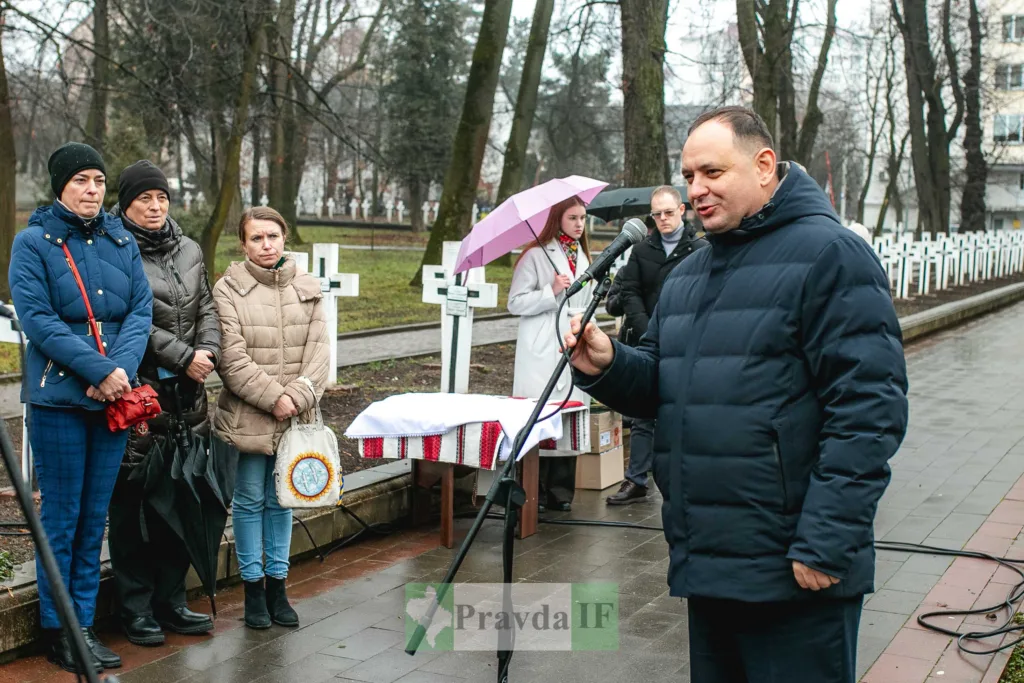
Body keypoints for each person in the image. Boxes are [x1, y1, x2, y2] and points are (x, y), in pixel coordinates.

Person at [563, 106, 909, 683]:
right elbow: (667, 383)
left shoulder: (830, 256)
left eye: (711, 173)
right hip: (711, 559)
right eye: (688, 175)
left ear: (764, 165)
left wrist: (825, 543)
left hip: (796, 569)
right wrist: (609, 364)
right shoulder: (692, 274)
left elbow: (868, 411)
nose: (695, 189)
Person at [9, 142, 153, 673]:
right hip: (60, 402)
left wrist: (118, 370)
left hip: (113, 397)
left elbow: (139, 309)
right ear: (60, 186)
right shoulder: (33, 243)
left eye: (98, 180)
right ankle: (59, 628)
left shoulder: (120, 238)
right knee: (63, 519)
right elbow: (39, 320)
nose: (92, 189)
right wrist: (98, 372)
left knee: (95, 519)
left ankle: (84, 623)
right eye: (80, 181)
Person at [106, 161, 221, 646]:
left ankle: (172, 601)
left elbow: (208, 306)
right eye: (144, 199)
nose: (155, 207)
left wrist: (208, 352)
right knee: (133, 506)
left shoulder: (189, 247)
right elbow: (129, 319)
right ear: (127, 203)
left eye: (161, 198)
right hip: (141, 393)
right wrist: (185, 355)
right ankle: (136, 609)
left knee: (180, 498)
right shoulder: (113, 249)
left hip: (189, 397)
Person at [212, 207, 329, 630]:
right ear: (243, 244)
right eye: (257, 238)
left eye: (273, 237)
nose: (266, 245)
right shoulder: (228, 290)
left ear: (284, 238)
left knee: (283, 498)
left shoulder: (308, 287)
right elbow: (231, 357)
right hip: (249, 415)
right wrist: (274, 398)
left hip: (296, 415)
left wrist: (295, 396)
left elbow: (319, 352)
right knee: (248, 500)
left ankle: (279, 585)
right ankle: (253, 590)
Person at [605, 187, 707, 506]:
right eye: (657, 214)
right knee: (642, 414)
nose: (662, 219)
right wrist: (647, 326)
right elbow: (630, 291)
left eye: (668, 212)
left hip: (687, 342)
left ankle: (687, 479)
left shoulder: (700, 249)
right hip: (645, 337)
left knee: (684, 412)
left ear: (681, 210)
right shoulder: (642, 249)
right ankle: (636, 479)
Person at [508, 196, 592, 512]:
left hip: (573, 339)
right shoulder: (533, 256)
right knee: (540, 413)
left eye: (583, 218)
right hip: (542, 346)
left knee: (568, 412)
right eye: (573, 218)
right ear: (557, 219)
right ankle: (535, 489)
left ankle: (560, 491)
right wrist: (551, 290)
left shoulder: (583, 254)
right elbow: (515, 303)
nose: (579, 224)